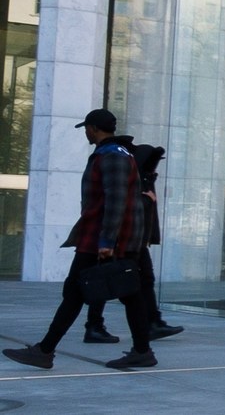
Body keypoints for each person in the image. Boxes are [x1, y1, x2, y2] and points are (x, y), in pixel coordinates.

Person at [3, 109, 158, 370]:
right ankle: (142, 351)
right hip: (111, 238)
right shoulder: (115, 154)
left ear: (94, 128)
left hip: (103, 239)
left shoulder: (112, 156)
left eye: (86, 128)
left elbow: (116, 200)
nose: (85, 132)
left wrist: (107, 242)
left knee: (75, 292)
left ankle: (45, 350)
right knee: (130, 294)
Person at [84, 144, 184, 344]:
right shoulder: (134, 178)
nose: (155, 168)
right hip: (125, 241)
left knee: (141, 281)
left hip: (135, 241)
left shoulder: (144, 178)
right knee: (110, 283)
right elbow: (123, 206)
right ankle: (104, 328)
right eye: (152, 163)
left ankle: (149, 325)